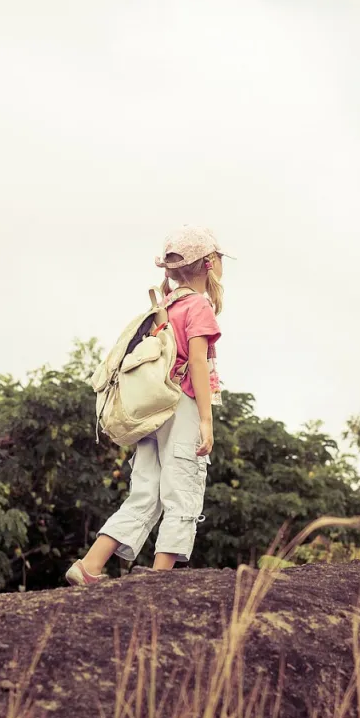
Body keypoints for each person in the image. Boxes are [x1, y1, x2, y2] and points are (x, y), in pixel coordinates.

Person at [66, 226, 228, 585]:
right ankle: (158, 582)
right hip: (181, 405)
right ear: (208, 263)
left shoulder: (164, 307)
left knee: (145, 493)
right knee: (182, 490)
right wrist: (206, 420)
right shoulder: (198, 306)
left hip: (151, 410)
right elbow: (197, 363)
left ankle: (89, 566)